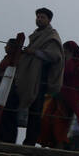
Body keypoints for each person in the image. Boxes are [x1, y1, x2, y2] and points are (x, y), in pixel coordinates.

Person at [14, 8, 63, 146]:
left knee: (35, 111)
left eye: (42, 17)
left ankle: (30, 141)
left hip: (41, 78)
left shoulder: (52, 36)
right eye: (38, 17)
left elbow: (54, 56)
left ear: (49, 20)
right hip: (30, 77)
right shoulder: (36, 35)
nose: (39, 19)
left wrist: (34, 52)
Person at [38, 41, 79, 148]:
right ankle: (46, 143)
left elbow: (72, 75)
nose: (64, 53)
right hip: (57, 93)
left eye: (66, 51)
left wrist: (68, 60)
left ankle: (60, 144)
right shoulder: (64, 59)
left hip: (69, 97)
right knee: (46, 118)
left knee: (59, 121)